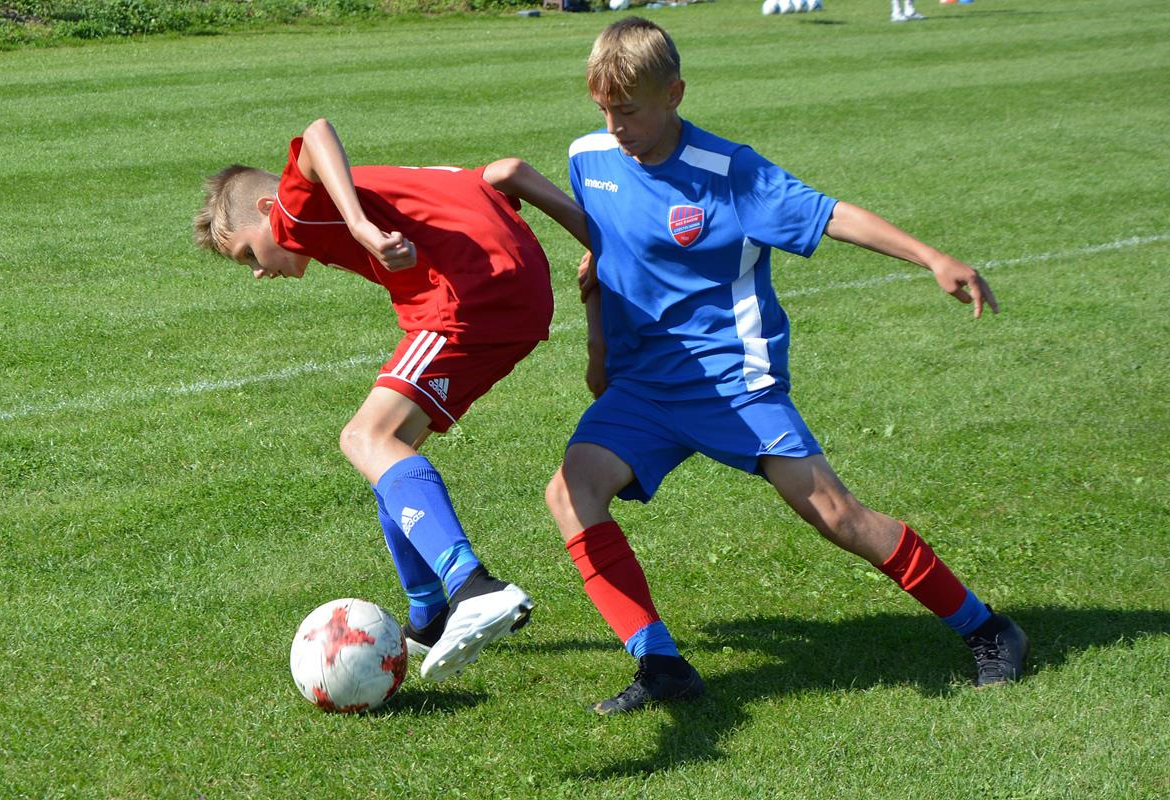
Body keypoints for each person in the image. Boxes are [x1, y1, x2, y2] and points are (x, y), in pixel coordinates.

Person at [545, 18, 1029, 715]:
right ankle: (661, 663)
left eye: (631, 110)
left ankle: (987, 628)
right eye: (604, 109)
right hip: (646, 383)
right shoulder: (588, 157)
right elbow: (602, 254)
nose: (616, 126)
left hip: (734, 378)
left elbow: (830, 215)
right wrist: (599, 352)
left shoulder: (731, 172)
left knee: (836, 514)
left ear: (674, 94)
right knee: (572, 491)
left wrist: (931, 257)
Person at [194, 118, 589, 682]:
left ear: (265, 208)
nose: (258, 271)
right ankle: (429, 616)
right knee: (389, 452)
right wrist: (599, 244)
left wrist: (359, 226)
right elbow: (509, 172)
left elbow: (315, 135)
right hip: (518, 298)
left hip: (466, 297)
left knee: (364, 437)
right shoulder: (388, 184)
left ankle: (472, 587)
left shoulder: (293, 212)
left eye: (248, 255)